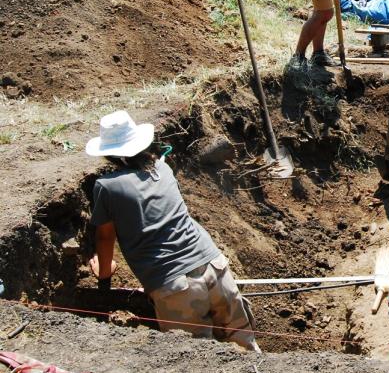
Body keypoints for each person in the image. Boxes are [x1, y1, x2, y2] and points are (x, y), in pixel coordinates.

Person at [86, 110, 260, 352]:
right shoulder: (162, 168)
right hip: (215, 266)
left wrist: (104, 274)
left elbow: (105, 236)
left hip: (176, 288)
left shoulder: (106, 187)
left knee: (199, 362)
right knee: (246, 346)